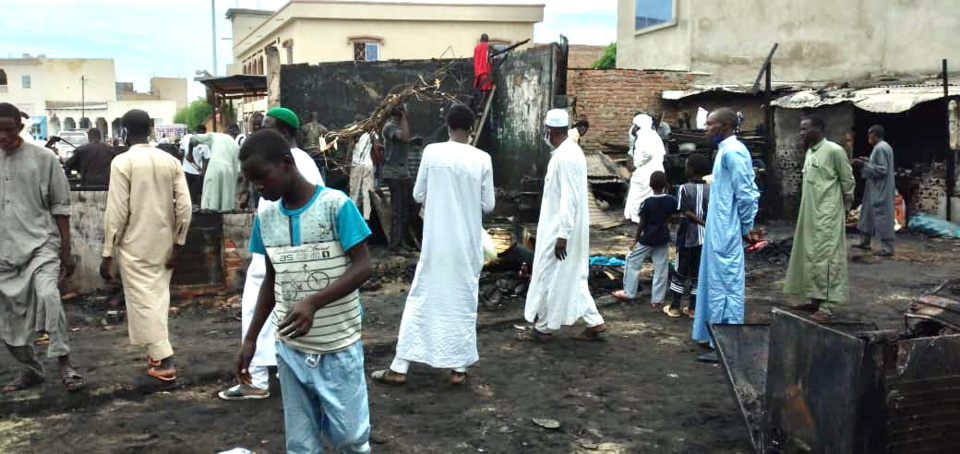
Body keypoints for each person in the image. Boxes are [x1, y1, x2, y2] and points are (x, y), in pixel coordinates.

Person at [235, 129, 372, 453]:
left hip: (338, 345)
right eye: (252, 181)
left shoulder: (336, 206)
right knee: (301, 442)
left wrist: (314, 302)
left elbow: (363, 266)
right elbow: (271, 279)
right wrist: (251, 338)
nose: (258, 187)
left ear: (286, 164)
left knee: (351, 437)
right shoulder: (266, 217)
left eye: (261, 177)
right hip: (290, 348)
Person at [372, 104, 494, 386]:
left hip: (437, 244)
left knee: (422, 299)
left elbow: (417, 194)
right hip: (467, 246)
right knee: (464, 301)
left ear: (447, 125)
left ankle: (400, 367)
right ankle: (459, 368)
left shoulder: (432, 152)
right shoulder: (483, 158)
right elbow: (488, 205)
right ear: (471, 127)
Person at [219, 107, 323, 401]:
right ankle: (273, 373)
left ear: (286, 133)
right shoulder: (299, 161)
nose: (260, 133)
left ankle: (257, 379)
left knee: (257, 307)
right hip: (283, 248)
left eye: (267, 127)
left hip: (279, 250)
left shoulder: (296, 160)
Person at [100, 109, 192, 383]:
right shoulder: (170, 161)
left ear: (124, 131)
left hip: (134, 244)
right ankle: (156, 352)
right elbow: (185, 207)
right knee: (157, 298)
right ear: (151, 128)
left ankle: (164, 361)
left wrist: (107, 252)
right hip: (164, 243)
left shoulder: (122, 162)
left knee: (144, 301)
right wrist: (179, 244)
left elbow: (116, 212)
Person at [0, 103, 85, 393]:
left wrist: (65, 251)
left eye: (7, 129)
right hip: (3, 253)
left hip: (41, 247)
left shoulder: (44, 158)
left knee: (49, 297)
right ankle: (31, 370)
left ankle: (65, 363)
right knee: (7, 318)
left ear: (20, 128)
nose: (2, 135)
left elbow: (61, 208)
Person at [519, 109, 607, 341]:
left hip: (561, 228)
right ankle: (594, 322)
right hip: (564, 226)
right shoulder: (568, 151)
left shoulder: (566, 156)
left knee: (549, 273)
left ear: (551, 131)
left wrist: (562, 235)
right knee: (571, 273)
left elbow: (569, 198)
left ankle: (543, 327)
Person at [691, 108, 760, 363]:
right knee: (713, 281)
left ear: (725, 126)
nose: (705, 128)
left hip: (727, 230)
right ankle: (713, 336)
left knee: (726, 286)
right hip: (718, 227)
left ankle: (727, 344)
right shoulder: (724, 152)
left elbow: (748, 193)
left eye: (710, 124)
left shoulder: (733, 152)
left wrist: (746, 226)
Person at [783, 115, 855, 322]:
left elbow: (848, 181)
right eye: (800, 129)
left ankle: (827, 305)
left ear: (819, 128)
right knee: (810, 255)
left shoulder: (834, 150)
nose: (801, 132)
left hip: (828, 214)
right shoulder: (810, 152)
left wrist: (845, 208)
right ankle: (814, 299)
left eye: (805, 128)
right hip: (810, 213)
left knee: (827, 257)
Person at [611, 171, 676, 308]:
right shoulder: (671, 200)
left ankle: (629, 292)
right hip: (663, 236)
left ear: (650, 185)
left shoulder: (647, 203)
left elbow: (641, 223)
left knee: (632, 260)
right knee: (661, 268)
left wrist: (635, 240)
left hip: (648, 237)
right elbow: (671, 215)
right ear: (665, 184)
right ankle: (657, 300)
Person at [666, 155, 711, 318]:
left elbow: (684, 211)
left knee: (680, 270)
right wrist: (706, 223)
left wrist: (700, 221)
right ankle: (693, 308)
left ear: (690, 170)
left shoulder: (684, 188)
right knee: (698, 272)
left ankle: (675, 306)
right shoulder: (710, 189)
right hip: (705, 239)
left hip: (687, 236)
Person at [853, 125, 895, 257]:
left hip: (880, 188)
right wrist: (867, 161)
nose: (868, 138)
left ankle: (888, 248)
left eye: (869, 135)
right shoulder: (883, 147)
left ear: (874, 135)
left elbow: (882, 170)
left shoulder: (880, 148)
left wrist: (863, 165)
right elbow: (876, 164)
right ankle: (865, 242)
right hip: (874, 187)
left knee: (882, 216)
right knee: (867, 213)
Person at [381, 104, 418, 251]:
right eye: (405, 110)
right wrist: (403, 117)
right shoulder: (389, 126)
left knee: (412, 204)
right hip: (394, 173)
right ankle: (395, 245)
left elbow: (405, 140)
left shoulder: (397, 126)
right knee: (398, 210)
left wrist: (413, 141)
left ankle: (403, 241)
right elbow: (403, 137)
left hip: (403, 173)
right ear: (401, 112)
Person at [624, 114, 666, 223]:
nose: (635, 127)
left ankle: (639, 217)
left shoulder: (644, 136)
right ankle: (645, 216)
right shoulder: (654, 135)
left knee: (641, 192)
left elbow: (648, 154)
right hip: (655, 169)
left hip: (647, 170)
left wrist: (637, 163)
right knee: (648, 192)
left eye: (636, 125)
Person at [195, 131, 241, 211]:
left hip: (214, 166)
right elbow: (236, 168)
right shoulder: (235, 145)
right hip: (228, 169)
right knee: (226, 198)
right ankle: (225, 214)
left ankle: (209, 215)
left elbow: (199, 137)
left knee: (210, 195)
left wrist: (193, 137)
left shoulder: (216, 136)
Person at [235, 113, 265, 209]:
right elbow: (245, 164)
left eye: (259, 124)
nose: (257, 127)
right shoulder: (248, 141)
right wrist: (244, 188)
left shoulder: (270, 139)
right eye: (254, 124)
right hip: (255, 182)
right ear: (250, 126)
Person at [348, 118, 376, 220]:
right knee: (367, 192)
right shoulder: (373, 135)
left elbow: (350, 149)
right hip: (368, 164)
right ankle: (367, 217)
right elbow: (376, 148)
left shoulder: (355, 134)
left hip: (357, 164)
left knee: (354, 191)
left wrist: (347, 162)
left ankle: (352, 215)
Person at [181, 125, 211, 204]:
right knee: (187, 196)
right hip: (186, 171)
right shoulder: (186, 138)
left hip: (197, 174)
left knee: (194, 196)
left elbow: (206, 159)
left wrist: (203, 172)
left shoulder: (204, 144)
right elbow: (181, 152)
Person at [472, 33, 493, 111]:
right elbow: (489, 58)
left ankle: (477, 104)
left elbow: (474, 58)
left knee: (479, 88)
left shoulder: (476, 47)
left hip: (477, 71)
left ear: (481, 39)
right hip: (485, 69)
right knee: (485, 89)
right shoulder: (487, 46)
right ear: (487, 40)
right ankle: (480, 105)